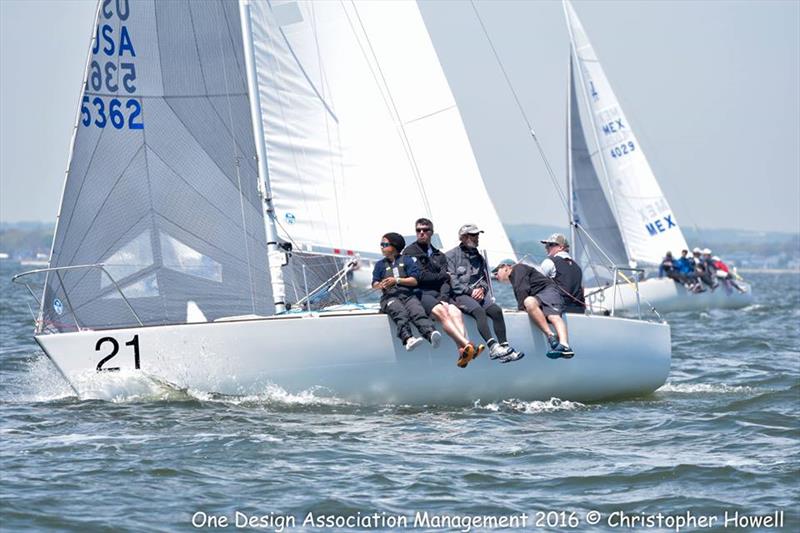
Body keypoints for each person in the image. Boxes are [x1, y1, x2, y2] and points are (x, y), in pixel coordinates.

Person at [402, 218, 479, 365]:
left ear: (432, 232)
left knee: (456, 312)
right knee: (443, 313)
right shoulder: (410, 252)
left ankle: (462, 352)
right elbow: (421, 277)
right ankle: (468, 345)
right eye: (418, 230)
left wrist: (444, 298)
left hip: (439, 294)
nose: (421, 233)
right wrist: (442, 276)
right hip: (420, 293)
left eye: (425, 230)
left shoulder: (439, 255)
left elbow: (445, 281)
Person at [446, 224, 524, 363]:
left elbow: (484, 280)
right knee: (479, 312)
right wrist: (471, 291)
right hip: (459, 295)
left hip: (477, 294)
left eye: (478, 235)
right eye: (474, 235)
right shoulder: (451, 256)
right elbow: (452, 282)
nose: (477, 238)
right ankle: (493, 348)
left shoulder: (479, 257)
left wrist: (481, 289)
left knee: (496, 311)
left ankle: (505, 349)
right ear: (464, 237)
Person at [493, 259, 575, 359]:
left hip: (549, 291)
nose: (495, 275)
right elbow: (523, 293)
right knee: (529, 302)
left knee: (553, 316)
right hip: (538, 297)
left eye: (496, 272)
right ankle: (551, 336)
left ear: (506, 267)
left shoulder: (518, 268)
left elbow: (523, 289)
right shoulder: (514, 277)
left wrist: (520, 309)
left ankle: (565, 346)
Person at [372, 232, 439, 352]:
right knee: (399, 312)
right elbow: (374, 284)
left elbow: (414, 281)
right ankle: (408, 339)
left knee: (417, 311)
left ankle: (430, 334)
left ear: (394, 246)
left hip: (407, 295)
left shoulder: (407, 260)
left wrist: (396, 280)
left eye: (385, 244)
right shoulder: (380, 265)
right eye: (381, 244)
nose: (382, 246)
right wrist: (379, 285)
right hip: (390, 297)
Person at [539, 233, 585, 314]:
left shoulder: (549, 261)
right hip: (578, 310)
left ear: (560, 247)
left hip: (558, 310)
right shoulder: (578, 267)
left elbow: (536, 283)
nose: (546, 247)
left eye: (550, 245)